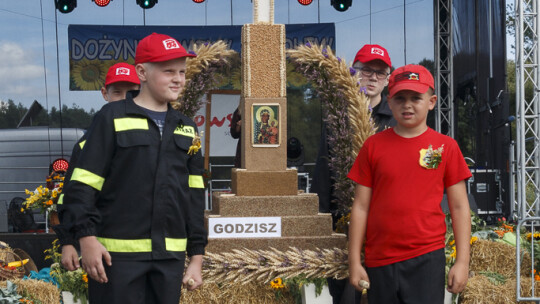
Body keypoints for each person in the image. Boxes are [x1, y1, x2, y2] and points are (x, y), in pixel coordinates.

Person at [60, 33, 207, 303]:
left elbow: (194, 197)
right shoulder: (111, 118)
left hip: (169, 260)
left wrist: (196, 258)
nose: (178, 78)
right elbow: (82, 184)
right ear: (142, 72)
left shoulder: (187, 128)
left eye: (182, 72)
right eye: (168, 71)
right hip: (115, 259)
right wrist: (86, 238)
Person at [347, 64, 471, 303]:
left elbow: (459, 207)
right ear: (390, 102)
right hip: (379, 260)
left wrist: (462, 261)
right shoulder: (373, 146)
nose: (407, 104)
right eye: (400, 98)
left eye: (416, 97)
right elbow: (361, 207)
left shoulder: (446, 146)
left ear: (431, 101)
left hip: (427, 258)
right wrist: (354, 261)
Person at [311, 44, 394, 304]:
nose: (372, 77)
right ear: (354, 73)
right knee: (345, 295)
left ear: (388, 78)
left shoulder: (398, 119)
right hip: (343, 225)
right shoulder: (338, 116)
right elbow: (324, 171)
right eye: (366, 70)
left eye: (379, 73)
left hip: (385, 227)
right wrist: (322, 221)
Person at [55, 62, 141, 272]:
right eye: (117, 92)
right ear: (105, 93)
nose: (124, 99)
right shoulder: (86, 144)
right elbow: (69, 195)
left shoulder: (154, 137)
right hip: (104, 248)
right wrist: (68, 242)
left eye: (131, 92)